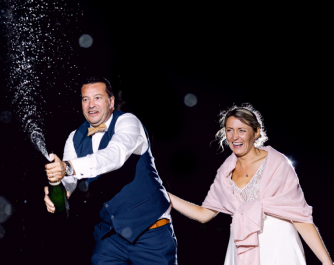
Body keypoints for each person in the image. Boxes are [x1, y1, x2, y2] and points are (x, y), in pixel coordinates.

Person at [168, 104, 332, 265]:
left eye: (242, 130)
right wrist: (163, 194)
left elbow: (300, 217)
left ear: (256, 132)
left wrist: (326, 261)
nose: (234, 137)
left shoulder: (277, 164)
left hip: (279, 246)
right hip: (241, 248)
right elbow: (203, 214)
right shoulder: (225, 173)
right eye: (230, 130)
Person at [44, 77, 177, 264]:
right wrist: (58, 186)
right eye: (85, 99)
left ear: (111, 101)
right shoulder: (74, 137)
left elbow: (114, 156)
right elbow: (69, 180)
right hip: (110, 237)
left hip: (151, 232)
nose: (91, 105)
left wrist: (67, 167)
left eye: (97, 97)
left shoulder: (128, 122)